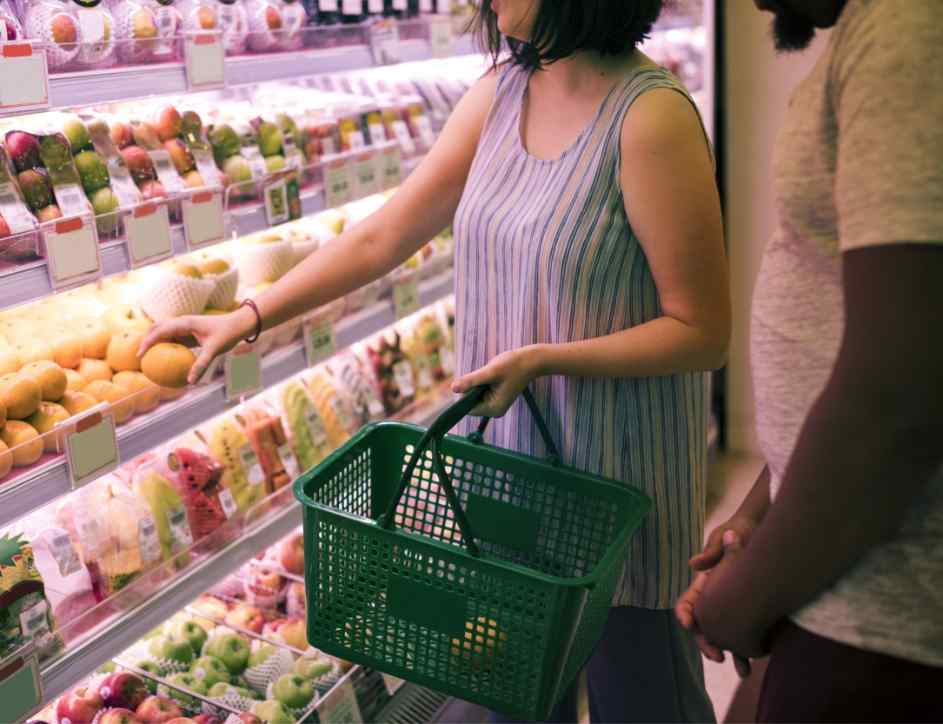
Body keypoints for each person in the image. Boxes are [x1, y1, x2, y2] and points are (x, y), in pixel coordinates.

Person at [140, 1, 729, 720]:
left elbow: (701, 329)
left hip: (616, 482)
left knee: (643, 699)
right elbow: (382, 236)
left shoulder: (649, 119)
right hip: (509, 474)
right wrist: (248, 316)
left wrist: (543, 360)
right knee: (518, 691)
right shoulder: (500, 92)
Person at [676, 1, 943, 722]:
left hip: (887, 623)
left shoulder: (909, 29)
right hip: (843, 585)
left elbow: (900, 393)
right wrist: (768, 502)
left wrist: (748, 595)